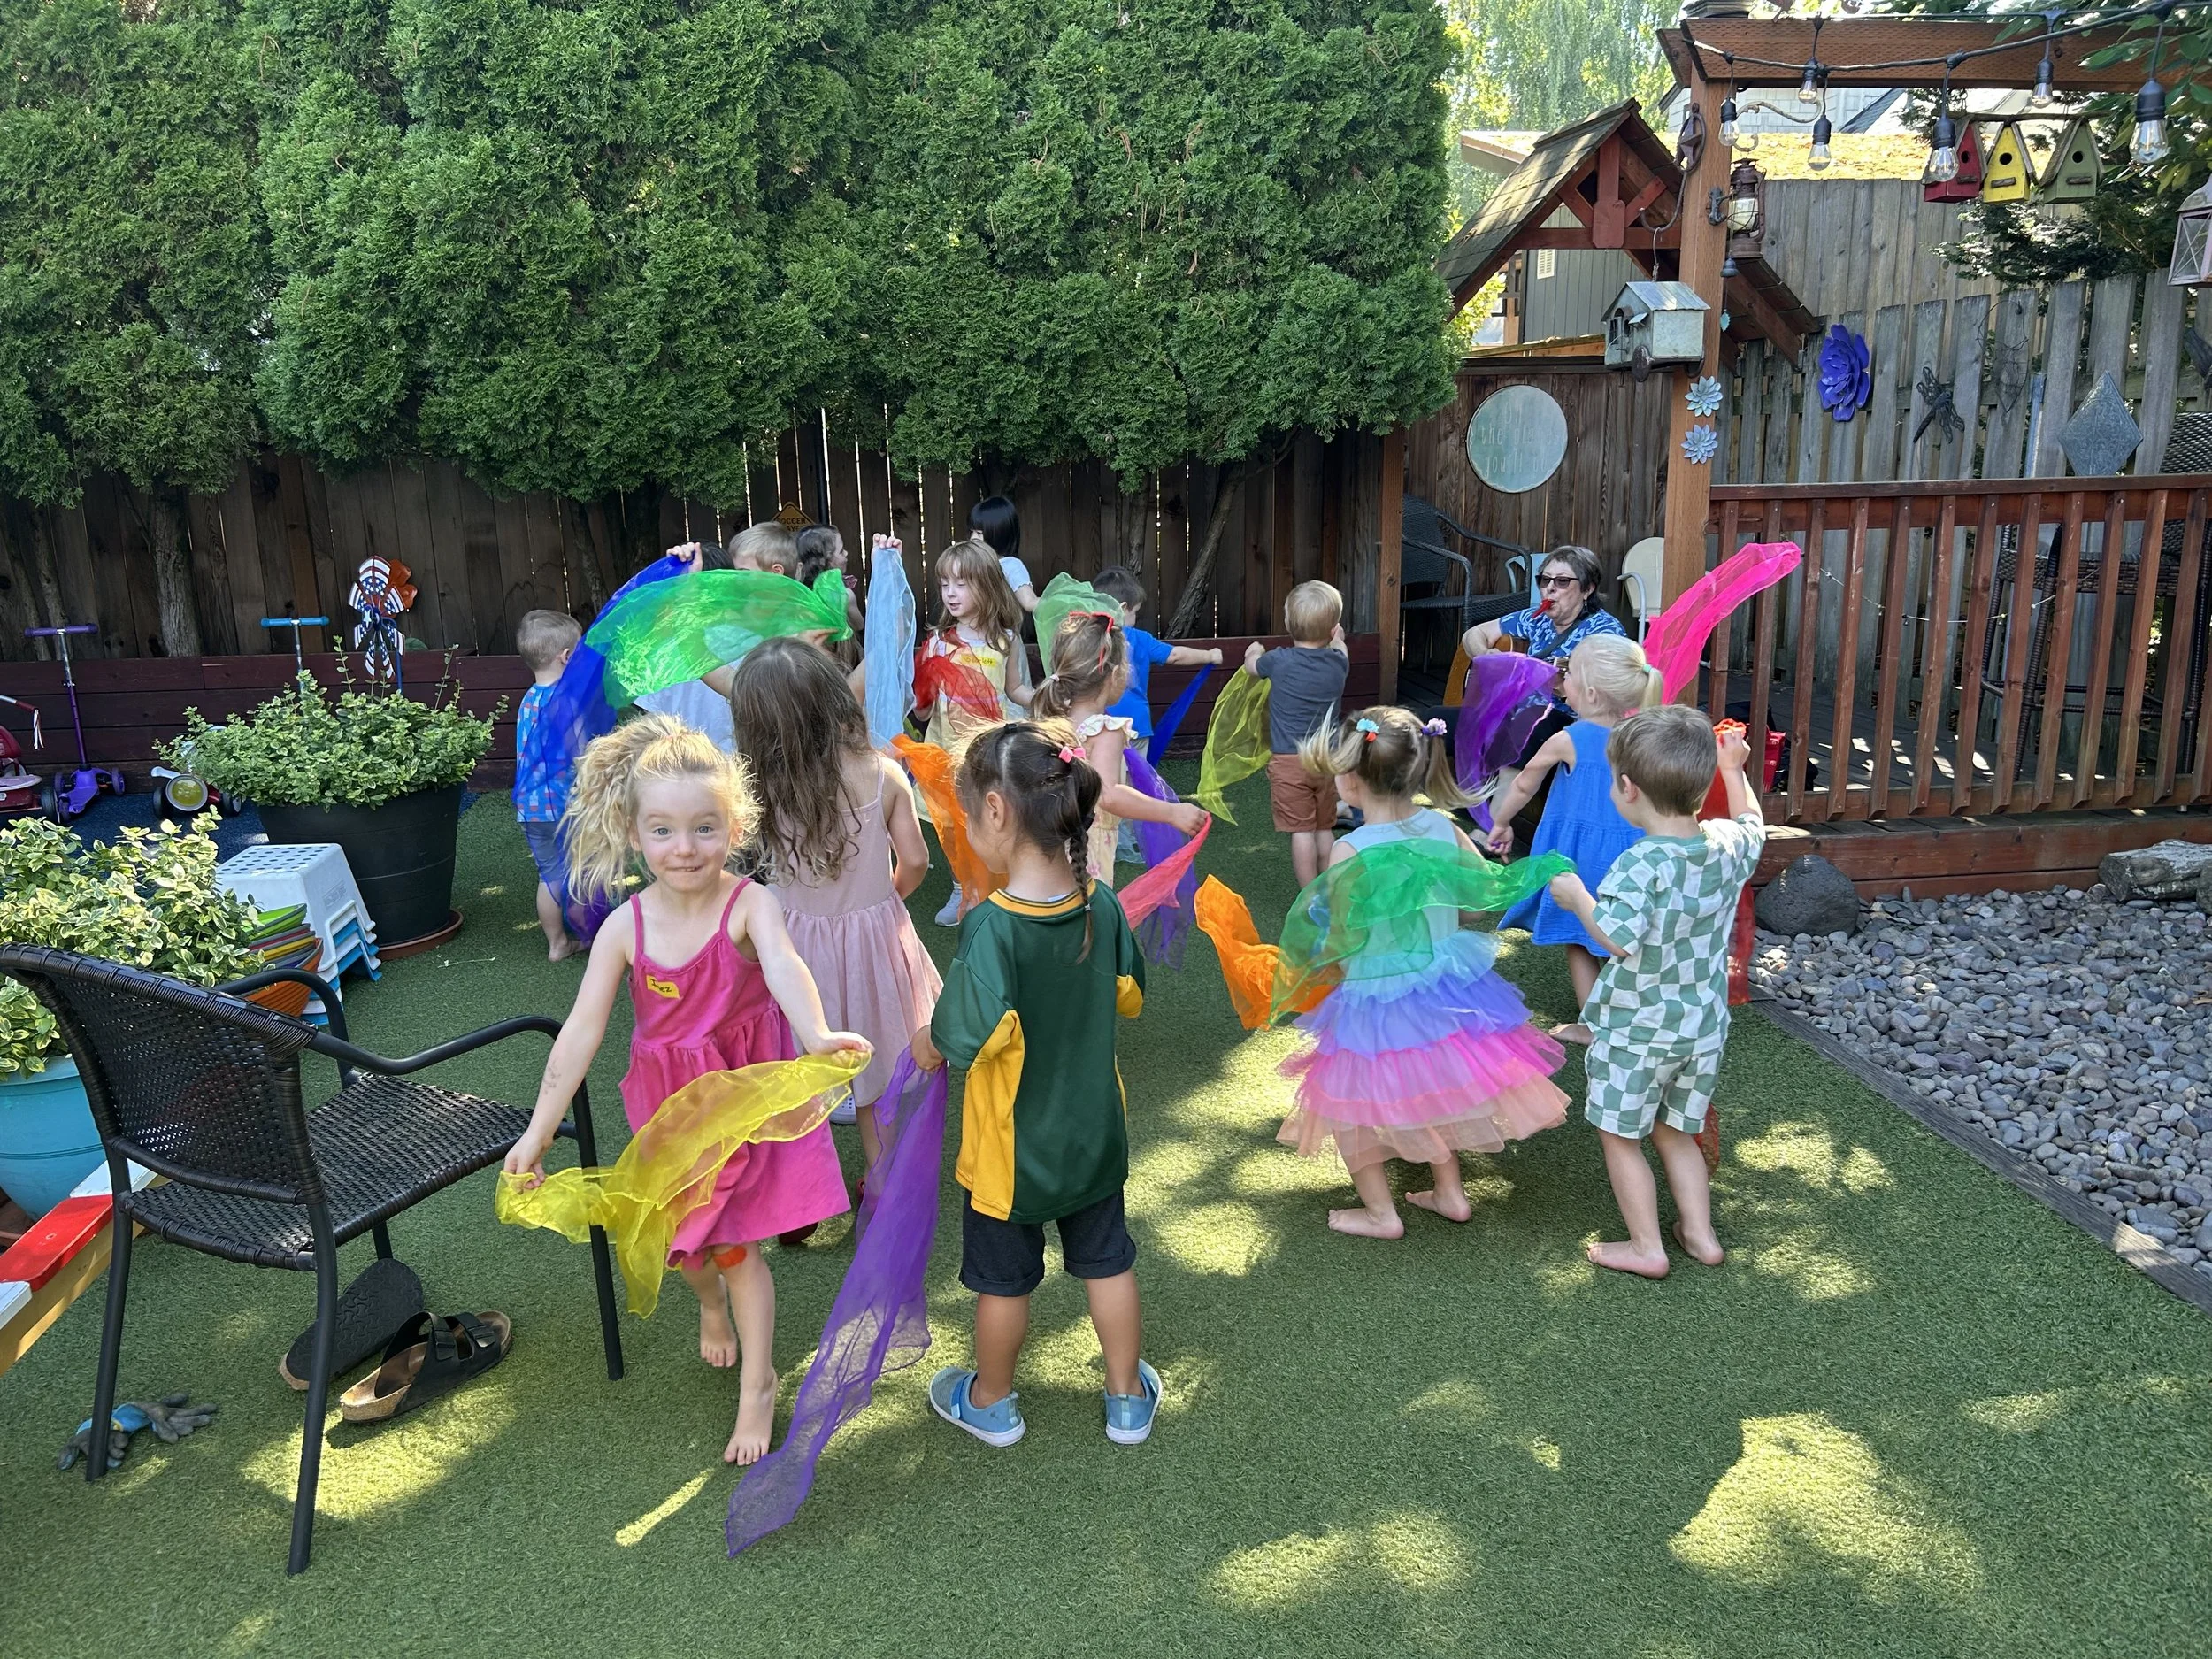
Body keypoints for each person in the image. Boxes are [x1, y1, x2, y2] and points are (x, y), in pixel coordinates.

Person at [503, 715, 868, 1465]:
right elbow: (580, 1033)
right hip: (667, 1109)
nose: (685, 847)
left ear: (734, 826)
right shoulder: (624, 928)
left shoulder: (750, 904)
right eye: (664, 830)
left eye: (704, 828)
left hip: (738, 1105)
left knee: (736, 1247)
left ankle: (758, 1383)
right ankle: (709, 1305)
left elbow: (787, 969)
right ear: (636, 836)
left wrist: (818, 1033)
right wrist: (538, 1130)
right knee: (684, 1245)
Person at [910, 721, 1161, 1448]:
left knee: (1004, 1280)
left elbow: (961, 1035)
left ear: (996, 811)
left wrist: (921, 1045)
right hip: (1093, 1138)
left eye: (964, 819)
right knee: (1107, 1261)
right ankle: (1124, 1399)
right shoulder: (1103, 904)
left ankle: (990, 1399)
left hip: (1010, 1157)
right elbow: (1128, 994)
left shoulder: (993, 927)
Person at [1279, 706, 1568, 1239]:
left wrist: (1327, 971)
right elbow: (1474, 902)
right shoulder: (1444, 826)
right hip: (1447, 979)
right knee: (1434, 1086)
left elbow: (1345, 931)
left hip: (1376, 989)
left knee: (1349, 1102)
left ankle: (1381, 1214)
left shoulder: (1350, 847)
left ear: (1350, 778)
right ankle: (1450, 1193)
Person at [1544, 708, 1765, 1279]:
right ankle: (1700, 1233)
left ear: (1627, 788)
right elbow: (1752, 822)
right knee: (1677, 1130)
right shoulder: (1724, 846)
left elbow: (1617, 939)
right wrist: (1734, 769)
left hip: (1639, 1031)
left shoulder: (1639, 864)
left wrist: (1576, 898)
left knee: (1620, 1137)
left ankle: (1647, 1247)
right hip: (1702, 1027)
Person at [727, 639, 939, 1171]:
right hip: (875, 943)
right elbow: (915, 861)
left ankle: (801, 1196)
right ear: (835, 697)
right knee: (874, 1068)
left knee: (796, 1071)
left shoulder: (758, 787)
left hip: (790, 947)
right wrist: (883, 901)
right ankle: (882, 1177)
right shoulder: (882, 773)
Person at [1486, 634, 1664, 1044]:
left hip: (1582, 858)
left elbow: (1525, 782)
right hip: (1632, 850)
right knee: (1626, 935)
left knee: (1581, 936)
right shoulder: (1641, 735)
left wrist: (1502, 822)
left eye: (1567, 673)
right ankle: (1637, 1011)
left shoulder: (1568, 739)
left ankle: (1594, 1025)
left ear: (1588, 692)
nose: (1560, 679)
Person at [1450, 545, 1627, 850]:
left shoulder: (1605, 633)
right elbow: (1473, 635)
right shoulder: (1537, 618)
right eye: (1544, 580)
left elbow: (1601, 694)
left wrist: (1559, 683)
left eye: (1562, 582)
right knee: (1433, 722)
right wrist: (1489, 656)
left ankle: (1487, 831)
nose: (1550, 589)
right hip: (1517, 708)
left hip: (1567, 715)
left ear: (1587, 588)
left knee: (1523, 737)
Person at [1032, 611, 1209, 883]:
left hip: (1049, 839)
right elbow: (1109, 795)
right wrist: (1172, 813)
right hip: (1088, 843)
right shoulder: (1105, 730)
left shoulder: (1052, 719)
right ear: (1115, 675)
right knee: (1088, 913)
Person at [914, 537, 1034, 925]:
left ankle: (1000, 888)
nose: (950, 593)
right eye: (945, 584)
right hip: (946, 751)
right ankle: (961, 889)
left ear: (987, 585)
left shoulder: (1006, 640)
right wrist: (920, 702)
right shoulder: (937, 642)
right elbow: (926, 703)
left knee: (990, 823)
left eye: (961, 583)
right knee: (950, 826)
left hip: (989, 754)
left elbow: (1015, 689)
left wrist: (1047, 698)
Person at [1243, 580, 1349, 889]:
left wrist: (1253, 651)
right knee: (1323, 827)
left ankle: (1308, 893)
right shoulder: (1338, 663)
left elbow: (1252, 668)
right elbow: (1341, 647)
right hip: (1327, 760)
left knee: (1301, 831)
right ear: (1332, 630)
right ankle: (1328, 886)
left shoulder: (1278, 660)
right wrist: (1338, 638)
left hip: (1290, 762)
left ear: (1289, 625)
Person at [513, 607, 585, 961]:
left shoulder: (528, 700)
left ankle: (558, 943)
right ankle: (591, 933)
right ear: (566, 656)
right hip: (565, 803)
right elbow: (581, 753)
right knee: (582, 869)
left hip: (531, 806)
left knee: (549, 874)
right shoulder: (568, 702)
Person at [1090, 564, 1224, 747]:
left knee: (1103, 773)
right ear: (1123, 608)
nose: (1135, 618)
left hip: (1097, 724)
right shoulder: (1140, 639)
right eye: (1135, 612)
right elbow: (1175, 655)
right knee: (1137, 775)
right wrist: (1209, 655)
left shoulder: (1088, 638)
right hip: (1134, 724)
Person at [635, 539, 741, 749]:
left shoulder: (657, 643)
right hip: (738, 769)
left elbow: (649, 719)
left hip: (675, 766)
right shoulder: (752, 639)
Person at [970, 495, 1038, 613]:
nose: (972, 539)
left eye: (979, 533)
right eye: (972, 532)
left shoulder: (1010, 566)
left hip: (1000, 631)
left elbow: (1029, 602)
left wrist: (1062, 602)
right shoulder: (971, 563)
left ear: (999, 534)